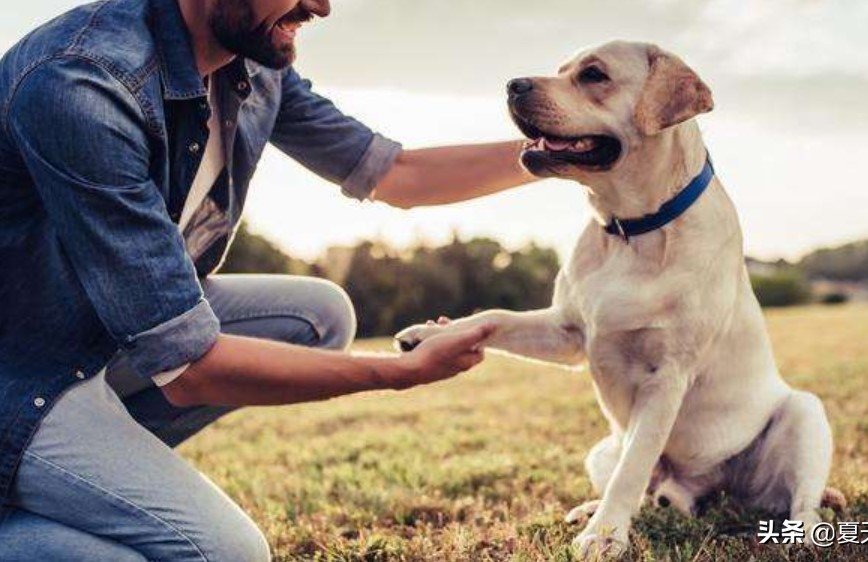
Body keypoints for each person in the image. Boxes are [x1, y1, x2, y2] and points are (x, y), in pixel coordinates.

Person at [0, 0, 534, 559]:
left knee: (318, 316)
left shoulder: (251, 63)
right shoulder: (83, 81)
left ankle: (58, 484)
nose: (321, 7)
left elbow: (398, 175)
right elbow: (189, 368)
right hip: (23, 375)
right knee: (224, 553)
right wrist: (399, 372)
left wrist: (557, 153)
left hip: (94, 337)